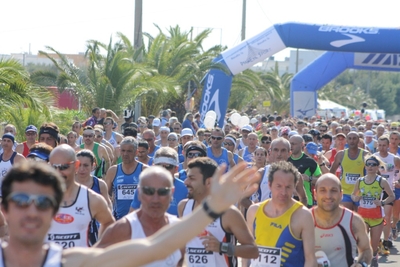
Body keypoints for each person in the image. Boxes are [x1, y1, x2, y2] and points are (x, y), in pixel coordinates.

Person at [0, 157, 259, 267]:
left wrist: (213, 207)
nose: (32, 211)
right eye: (22, 201)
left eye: (43, 203)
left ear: (54, 211)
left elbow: (155, 248)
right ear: (5, 209)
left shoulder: (70, 262)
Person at [97, 165, 185, 265]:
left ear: (171, 193)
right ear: (139, 193)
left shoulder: (179, 230)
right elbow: (93, 261)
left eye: (162, 192)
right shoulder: (123, 229)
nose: (155, 199)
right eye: (149, 191)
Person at [179, 157, 259, 266]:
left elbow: (253, 251)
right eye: (187, 178)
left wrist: (223, 247)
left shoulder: (228, 213)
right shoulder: (183, 207)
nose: (186, 182)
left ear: (208, 182)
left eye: (192, 178)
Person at [246, 161, 317, 267]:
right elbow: (247, 251)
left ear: (294, 187)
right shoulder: (254, 211)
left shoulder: (303, 215)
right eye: (278, 186)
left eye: (288, 187)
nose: (283, 192)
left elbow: (310, 259)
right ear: (269, 185)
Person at [47, 145, 115, 247]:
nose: (58, 172)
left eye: (64, 167)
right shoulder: (40, 196)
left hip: (80, 262)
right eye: (54, 167)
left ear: (76, 165)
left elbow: (108, 223)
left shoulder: (91, 199)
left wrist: (98, 249)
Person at [312, 173, 372, 267]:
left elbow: (366, 249)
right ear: (315, 194)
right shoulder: (304, 219)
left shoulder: (354, 220)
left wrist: (361, 264)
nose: (328, 196)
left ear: (341, 194)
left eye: (333, 190)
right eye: (322, 190)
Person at [351, 155, 395, 262]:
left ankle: (374, 258)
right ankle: (363, 261)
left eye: (373, 165)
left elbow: (392, 196)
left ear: (377, 167)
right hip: (363, 216)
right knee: (362, 242)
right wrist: (356, 197)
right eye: (368, 164)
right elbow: (353, 195)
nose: (370, 167)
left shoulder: (381, 181)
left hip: (376, 217)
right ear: (365, 166)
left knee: (374, 245)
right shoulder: (360, 180)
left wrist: (382, 202)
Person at [130, 147, 187, 216]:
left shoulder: (185, 189)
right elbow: (133, 215)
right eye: (159, 166)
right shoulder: (144, 187)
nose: (163, 170)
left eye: (168, 166)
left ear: (176, 169)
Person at [75, 149, 112, 246]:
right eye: (79, 165)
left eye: (86, 165)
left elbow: (108, 207)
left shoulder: (100, 184)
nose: (82, 169)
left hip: (93, 231)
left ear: (93, 166)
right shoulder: (67, 183)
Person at [104, 137, 147, 220]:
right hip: (118, 219)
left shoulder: (144, 170)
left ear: (136, 152)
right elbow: (106, 195)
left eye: (129, 151)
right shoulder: (113, 170)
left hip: (140, 220)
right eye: (123, 151)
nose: (125, 154)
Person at [330, 131, 369, 211]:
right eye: (350, 138)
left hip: (361, 192)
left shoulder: (365, 154)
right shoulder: (341, 154)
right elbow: (332, 171)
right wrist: (334, 186)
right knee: (346, 216)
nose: (352, 141)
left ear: (358, 140)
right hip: (345, 191)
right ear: (346, 140)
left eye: (354, 138)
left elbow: (374, 172)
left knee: (360, 219)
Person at [374, 135, 400, 248]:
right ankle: (378, 238)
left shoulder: (394, 159)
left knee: (387, 216)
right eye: (380, 145)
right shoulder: (373, 158)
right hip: (375, 190)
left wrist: (397, 181)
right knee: (377, 217)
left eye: (384, 145)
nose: (382, 147)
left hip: (388, 191)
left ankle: (386, 239)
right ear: (377, 145)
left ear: (388, 145)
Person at [288, 135, 322, 207]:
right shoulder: (286, 160)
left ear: (302, 144)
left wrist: (309, 178)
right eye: (290, 143)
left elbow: (321, 180)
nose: (291, 146)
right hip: (288, 201)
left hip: (306, 201)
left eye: (293, 144)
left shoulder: (310, 161)